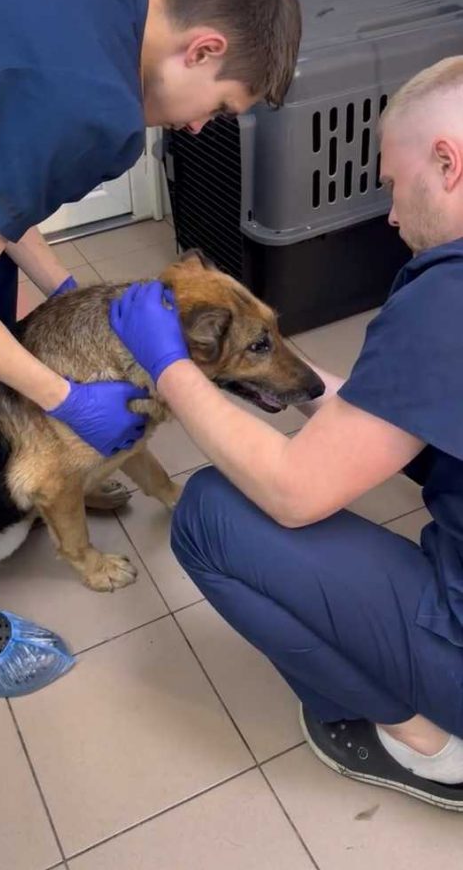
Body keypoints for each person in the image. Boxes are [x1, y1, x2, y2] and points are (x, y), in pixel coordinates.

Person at [0, 0, 301, 697]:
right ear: (203, 48)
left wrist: (62, 289)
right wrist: (64, 398)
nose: (197, 126)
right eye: (218, 105)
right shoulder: (89, 98)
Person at [110, 55, 463, 811]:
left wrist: (169, 368)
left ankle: (425, 745)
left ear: (447, 162)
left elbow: (294, 494)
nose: (391, 215)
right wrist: (296, 388)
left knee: (209, 513)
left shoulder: (447, 298)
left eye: (394, 185)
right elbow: (411, 415)